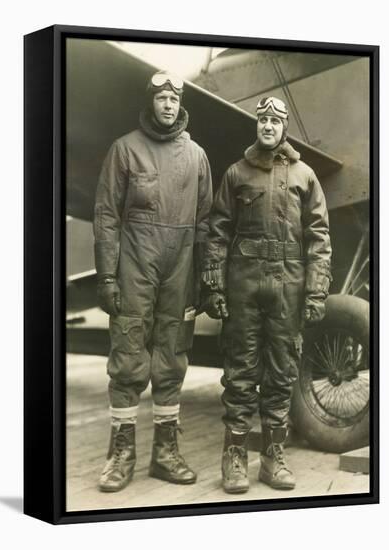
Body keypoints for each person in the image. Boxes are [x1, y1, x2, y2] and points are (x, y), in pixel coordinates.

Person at [201, 96, 331, 493]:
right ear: (256, 126)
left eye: (275, 121)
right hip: (244, 285)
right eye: (263, 121)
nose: (269, 127)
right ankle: (235, 456)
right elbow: (218, 230)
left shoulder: (305, 176)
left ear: (285, 126)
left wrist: (316, 292)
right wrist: (214, 285)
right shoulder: (237, 173)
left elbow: (319, 238)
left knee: (281, 373)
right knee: (240, 374)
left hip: (288, 287)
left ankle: (273, 457)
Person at [93, 71, 212, 492]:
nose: (167, 105)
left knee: (173, 356)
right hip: (134, 269)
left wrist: (204, 277)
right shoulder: (124, 150)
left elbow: (204, 223)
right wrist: (107, 274)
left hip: (180, 271)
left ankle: (166, 453)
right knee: (127, 357)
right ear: (151, 102)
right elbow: (106, 217)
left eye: (173, 99)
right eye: (160, 98)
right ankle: (121, 454)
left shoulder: (197, 156)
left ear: (181, 105)